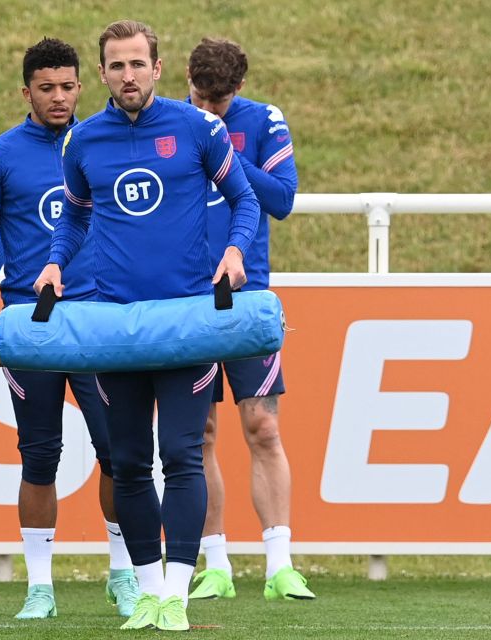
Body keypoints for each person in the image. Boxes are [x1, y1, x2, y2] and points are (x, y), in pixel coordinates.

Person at [33, 20, 260, 632]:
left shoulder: (198, 130)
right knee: (129, 463)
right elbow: (76, 217)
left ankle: (178, 596)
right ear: (102, 74)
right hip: (118, 328)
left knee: (181, 457)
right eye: (116, 66)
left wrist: (236, 251)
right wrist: (56, 261)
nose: (127, 76)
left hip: (186, 322)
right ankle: (150, 590)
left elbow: (245, 200)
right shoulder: (82, 142)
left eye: (137, 64)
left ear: (158, 70)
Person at [0, 37, 140, 620]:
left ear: (81, 87)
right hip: (32, 327)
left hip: (98, 322)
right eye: (47, 87)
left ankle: (122, 575)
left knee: (119, 454)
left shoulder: (101, 144)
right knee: (40, 455)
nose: (59, 97)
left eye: (68, 86)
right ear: (26, 92)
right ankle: (40, 587)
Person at [184, 37, 316, 602]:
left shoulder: (263, 120)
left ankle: (280, 565)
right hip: (184, 296)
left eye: (219, 100)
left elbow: (283, 199)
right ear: (185, 80)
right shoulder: (165, 125)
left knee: (263, 426)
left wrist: (225, 155)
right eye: (201, 97)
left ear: (238, 89)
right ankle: (215, 564)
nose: (209, 110)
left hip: (247, 295)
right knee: (201, 432)